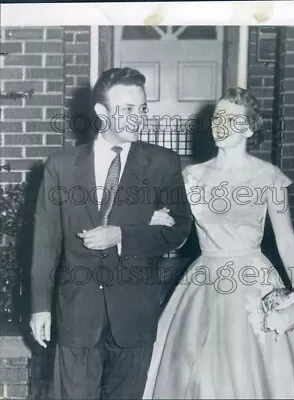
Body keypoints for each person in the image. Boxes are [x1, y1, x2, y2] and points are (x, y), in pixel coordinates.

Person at [29, 67, 192, 400]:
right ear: (102, 113)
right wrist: (40, 306)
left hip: (134, 314)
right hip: (76, 313)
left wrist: (123, 235)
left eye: (142, 109)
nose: (139, 118)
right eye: (127, 109)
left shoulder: (162, 163)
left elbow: (180, 230)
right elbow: (46, 242)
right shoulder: (61, 166)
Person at [143, 87, 294, 399]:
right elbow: (170, 226)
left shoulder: (268, 176)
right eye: (218, 116)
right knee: (201, 377)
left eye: (232, 118)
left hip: (254, 281)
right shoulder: (190, 176)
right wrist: (150, 218)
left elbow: (286, 239)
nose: (221, 123)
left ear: (249, 129)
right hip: (204, 284)